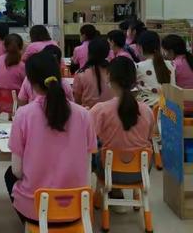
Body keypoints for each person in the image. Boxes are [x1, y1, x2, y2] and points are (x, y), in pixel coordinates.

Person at [4, 52, 96, 224]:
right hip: (76, 206)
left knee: (9, 175)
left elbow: (17, 170)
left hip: (36, 209)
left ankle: (29, 225)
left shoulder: (23, 114)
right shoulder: (84, 115)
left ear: (31, 82)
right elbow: (87, 164)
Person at [90, 57, 154, 187]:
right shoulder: (146, 110)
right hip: (141, 172)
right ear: (134, 80)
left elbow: (88, 139)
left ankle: (101, 191)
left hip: (109, 171)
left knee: (95, 148)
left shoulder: (100, 110)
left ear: (109, 77)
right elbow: (149, 138)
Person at [136, 31, 175, 107]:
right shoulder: (170, 65)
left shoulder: (138, 67)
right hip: (169, 109)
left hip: (147, 109)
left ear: (140, 47)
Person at [73, 38, 113, 109]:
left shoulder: (81, 73)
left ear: (89, 52)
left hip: (88, 113)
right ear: (107, 53)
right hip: (111, 112)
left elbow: (77, 100)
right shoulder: (114, 71)